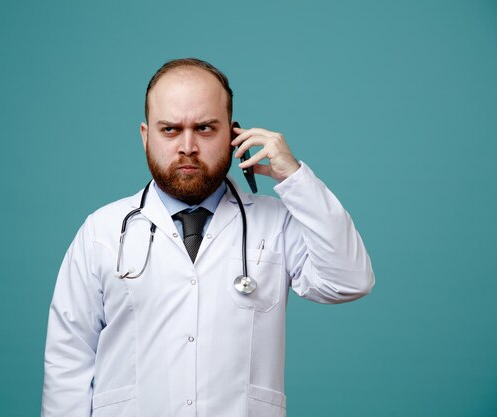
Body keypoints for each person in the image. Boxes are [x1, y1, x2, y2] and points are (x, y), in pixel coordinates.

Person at [41, 58, 375, 417]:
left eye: (204, 128)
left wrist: (293, 178)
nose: (188, 146)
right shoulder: (103, 231)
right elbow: (67, 365)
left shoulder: (275, 223)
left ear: (233, 134)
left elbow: (349, 281)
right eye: (170, 129)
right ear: (145, 135)